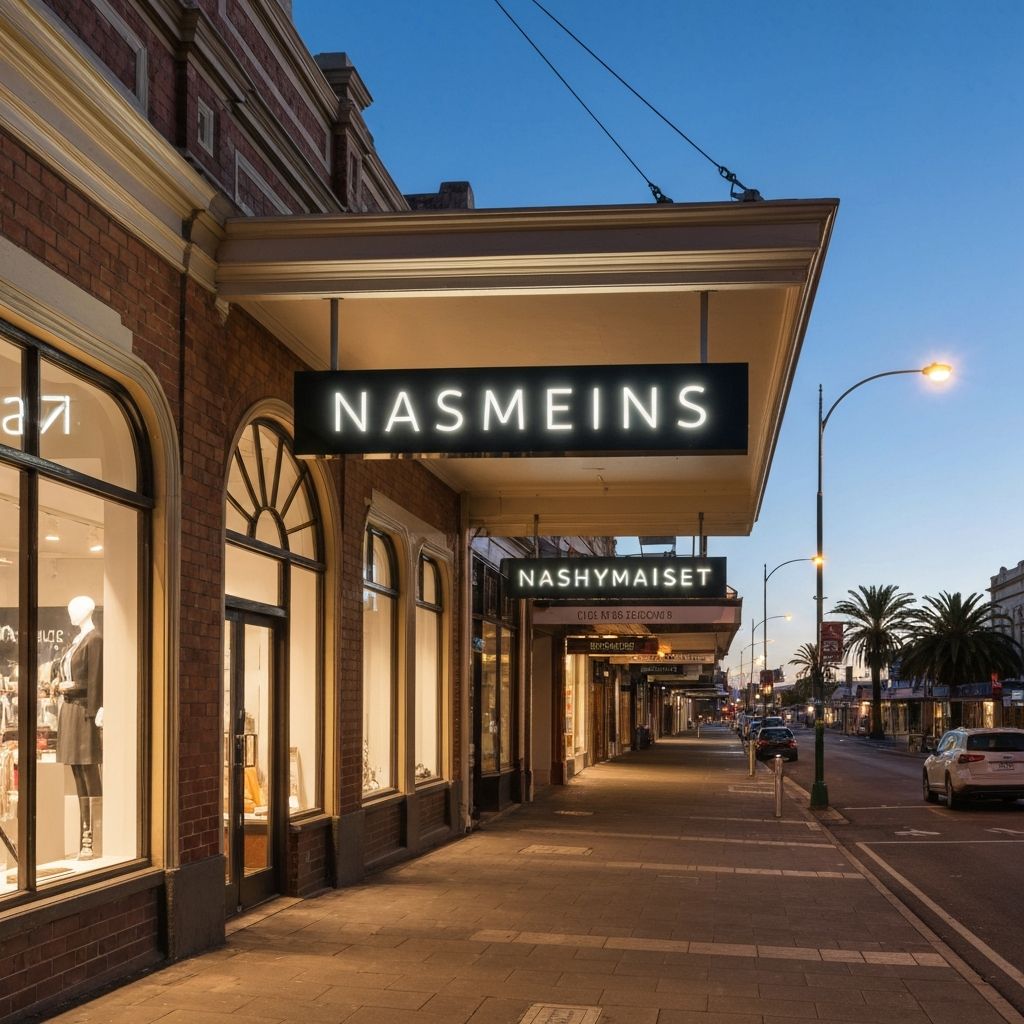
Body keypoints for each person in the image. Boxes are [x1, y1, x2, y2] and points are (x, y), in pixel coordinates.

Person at [55, 595, 103, 860]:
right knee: (77, 771)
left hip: (85, 711)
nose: (70, 611)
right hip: (70, 711)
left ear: (87, 610)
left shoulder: (94, 640)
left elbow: (97, 678)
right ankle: (84, 835)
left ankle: (92, 836)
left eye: (75, 607)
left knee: (88, 771)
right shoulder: (74, 642)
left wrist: (98, 710)